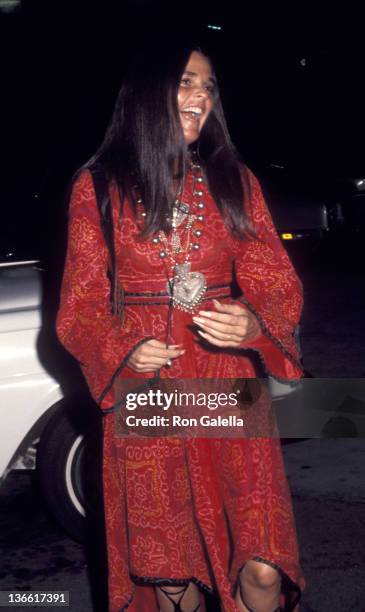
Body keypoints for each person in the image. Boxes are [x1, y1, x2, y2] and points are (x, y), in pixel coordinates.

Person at [57, 41, 305, 612]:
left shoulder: (232, 180)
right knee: (173, 575)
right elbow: (80, 305)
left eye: (209, 87)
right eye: (188, 82)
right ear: (149, 91)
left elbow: (276, 280)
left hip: (228, 381)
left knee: (263, 567)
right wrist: (123, 349)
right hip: (150, 392)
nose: (202, 96)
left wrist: (255, 322)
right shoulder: (96, 188)